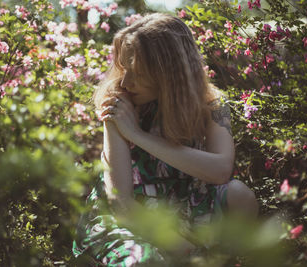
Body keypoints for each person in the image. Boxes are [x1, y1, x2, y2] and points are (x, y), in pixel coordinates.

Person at [73, 13, 258, 266]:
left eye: (137, 73)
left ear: (168, 74)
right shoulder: (119, 105)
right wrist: (187, 251)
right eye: (124, 70)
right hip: (127, 221)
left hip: (181, 206)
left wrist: (138, 135)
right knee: (147, 261)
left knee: (240, 196)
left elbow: (221, 171)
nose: (125, 82)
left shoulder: (213, 104)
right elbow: (121, 204)